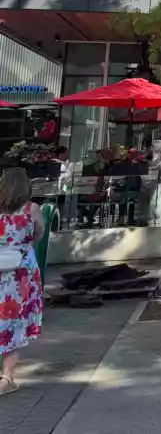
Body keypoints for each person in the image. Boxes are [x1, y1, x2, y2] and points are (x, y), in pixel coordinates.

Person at [0, 169, 43, 395]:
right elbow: (38, 234)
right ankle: (6, 379)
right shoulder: (31, 209)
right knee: (14, 323)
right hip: (20, 274)